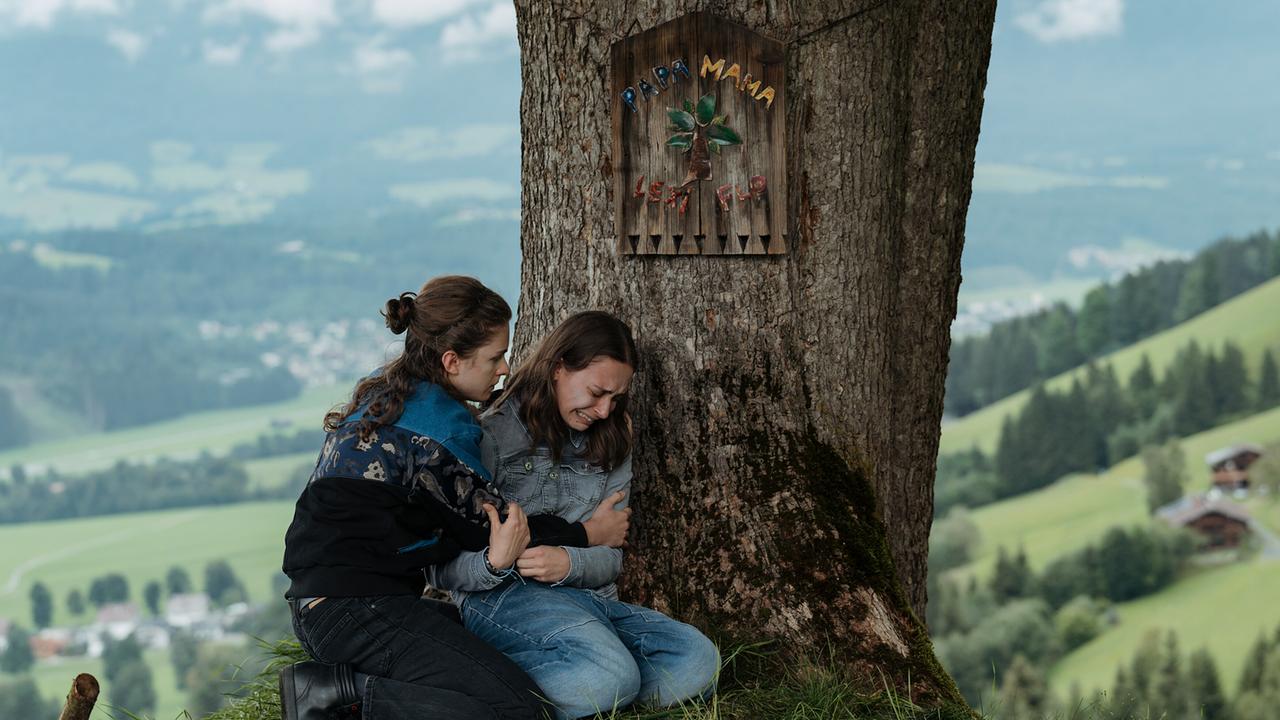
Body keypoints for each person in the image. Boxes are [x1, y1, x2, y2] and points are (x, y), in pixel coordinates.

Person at [279, 277, 630, 720]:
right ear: (451, 361)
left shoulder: (385, 389)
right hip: (358, 610)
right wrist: (587, 532)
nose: (504, 368)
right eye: (494, 357)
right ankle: (336, 697)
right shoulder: (442, 432)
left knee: (475, 649)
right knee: (520, 708)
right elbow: (499, 528)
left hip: (323, 605)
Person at [429, 311, 720, 720]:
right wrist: (498, 564)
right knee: (610, 675)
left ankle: (573, 687)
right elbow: (443, 566)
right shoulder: (488, 437)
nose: (604, 411)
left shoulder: (613, 439)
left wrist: (568, 562)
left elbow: (611, 556)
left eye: (615, 399)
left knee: (696, 661)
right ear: (558, 368)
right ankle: (431, 698)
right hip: (506, 599)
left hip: (589, 601)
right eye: (597, 392)